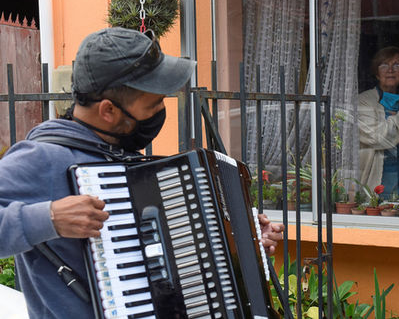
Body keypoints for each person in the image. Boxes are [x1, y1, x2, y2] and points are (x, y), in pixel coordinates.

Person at [0, 27, 284, 319]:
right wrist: (48, 218)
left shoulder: (121, 158)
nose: (162, 109)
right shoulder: (42, 159)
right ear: (108, 111)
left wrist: (240, 241)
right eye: (154, 104)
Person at [359, 46, 399, 196]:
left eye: (397, 65)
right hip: (378, 172)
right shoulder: (363, 101)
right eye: (384, 65)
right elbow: (377, 137)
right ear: (376, 73)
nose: (390, 70)